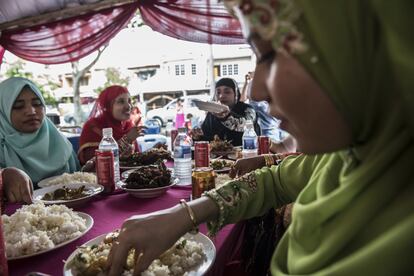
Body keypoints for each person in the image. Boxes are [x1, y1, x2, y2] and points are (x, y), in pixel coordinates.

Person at [108, 1, 413, 275]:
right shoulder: (347, 157)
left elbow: (248, 133)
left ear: (351, 48)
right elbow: (275, 180)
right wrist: (182, 215)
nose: (258, 92)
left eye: (268, 55)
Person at [0, 77, 80, 186]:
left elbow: (78, 185)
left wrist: (88, 172)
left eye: (37, 104)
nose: (31, 112)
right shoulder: (2, 148)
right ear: (3, 112)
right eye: (18, 106)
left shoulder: (60, 143)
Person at [78, 85, 145, 166]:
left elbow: (136, 160)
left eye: (129, 101)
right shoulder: (93, 127)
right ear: (107, 106)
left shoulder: (128, 126)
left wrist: (154, 153)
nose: (128, 106)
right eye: (121, 101)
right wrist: (126, 140)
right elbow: (92, 164)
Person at [192, 77, 260, 146]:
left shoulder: (248, 109)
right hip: (218, 156)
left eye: (227, 92)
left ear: (235, 94)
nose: (221, 96)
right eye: (218, 92)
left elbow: (246, 125)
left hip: (246, 154)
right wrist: (198, 137)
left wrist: (225, 117)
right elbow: (208, 139)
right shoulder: (212, 114)